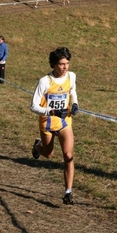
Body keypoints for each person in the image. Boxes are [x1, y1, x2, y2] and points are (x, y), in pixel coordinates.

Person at [30, 47, 79, 205]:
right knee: (49, 154)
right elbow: (33, 106)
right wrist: (51, 112)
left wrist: (75, 104)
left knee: (68, 155)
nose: (65, 67)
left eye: (67, 63)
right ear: (53, 64)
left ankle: (68, 192)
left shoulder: (71, 76)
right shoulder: (44, 81)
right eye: (61, 64)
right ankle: (38, 146)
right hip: (48, 122)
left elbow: (72, 92)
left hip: (65, 122)